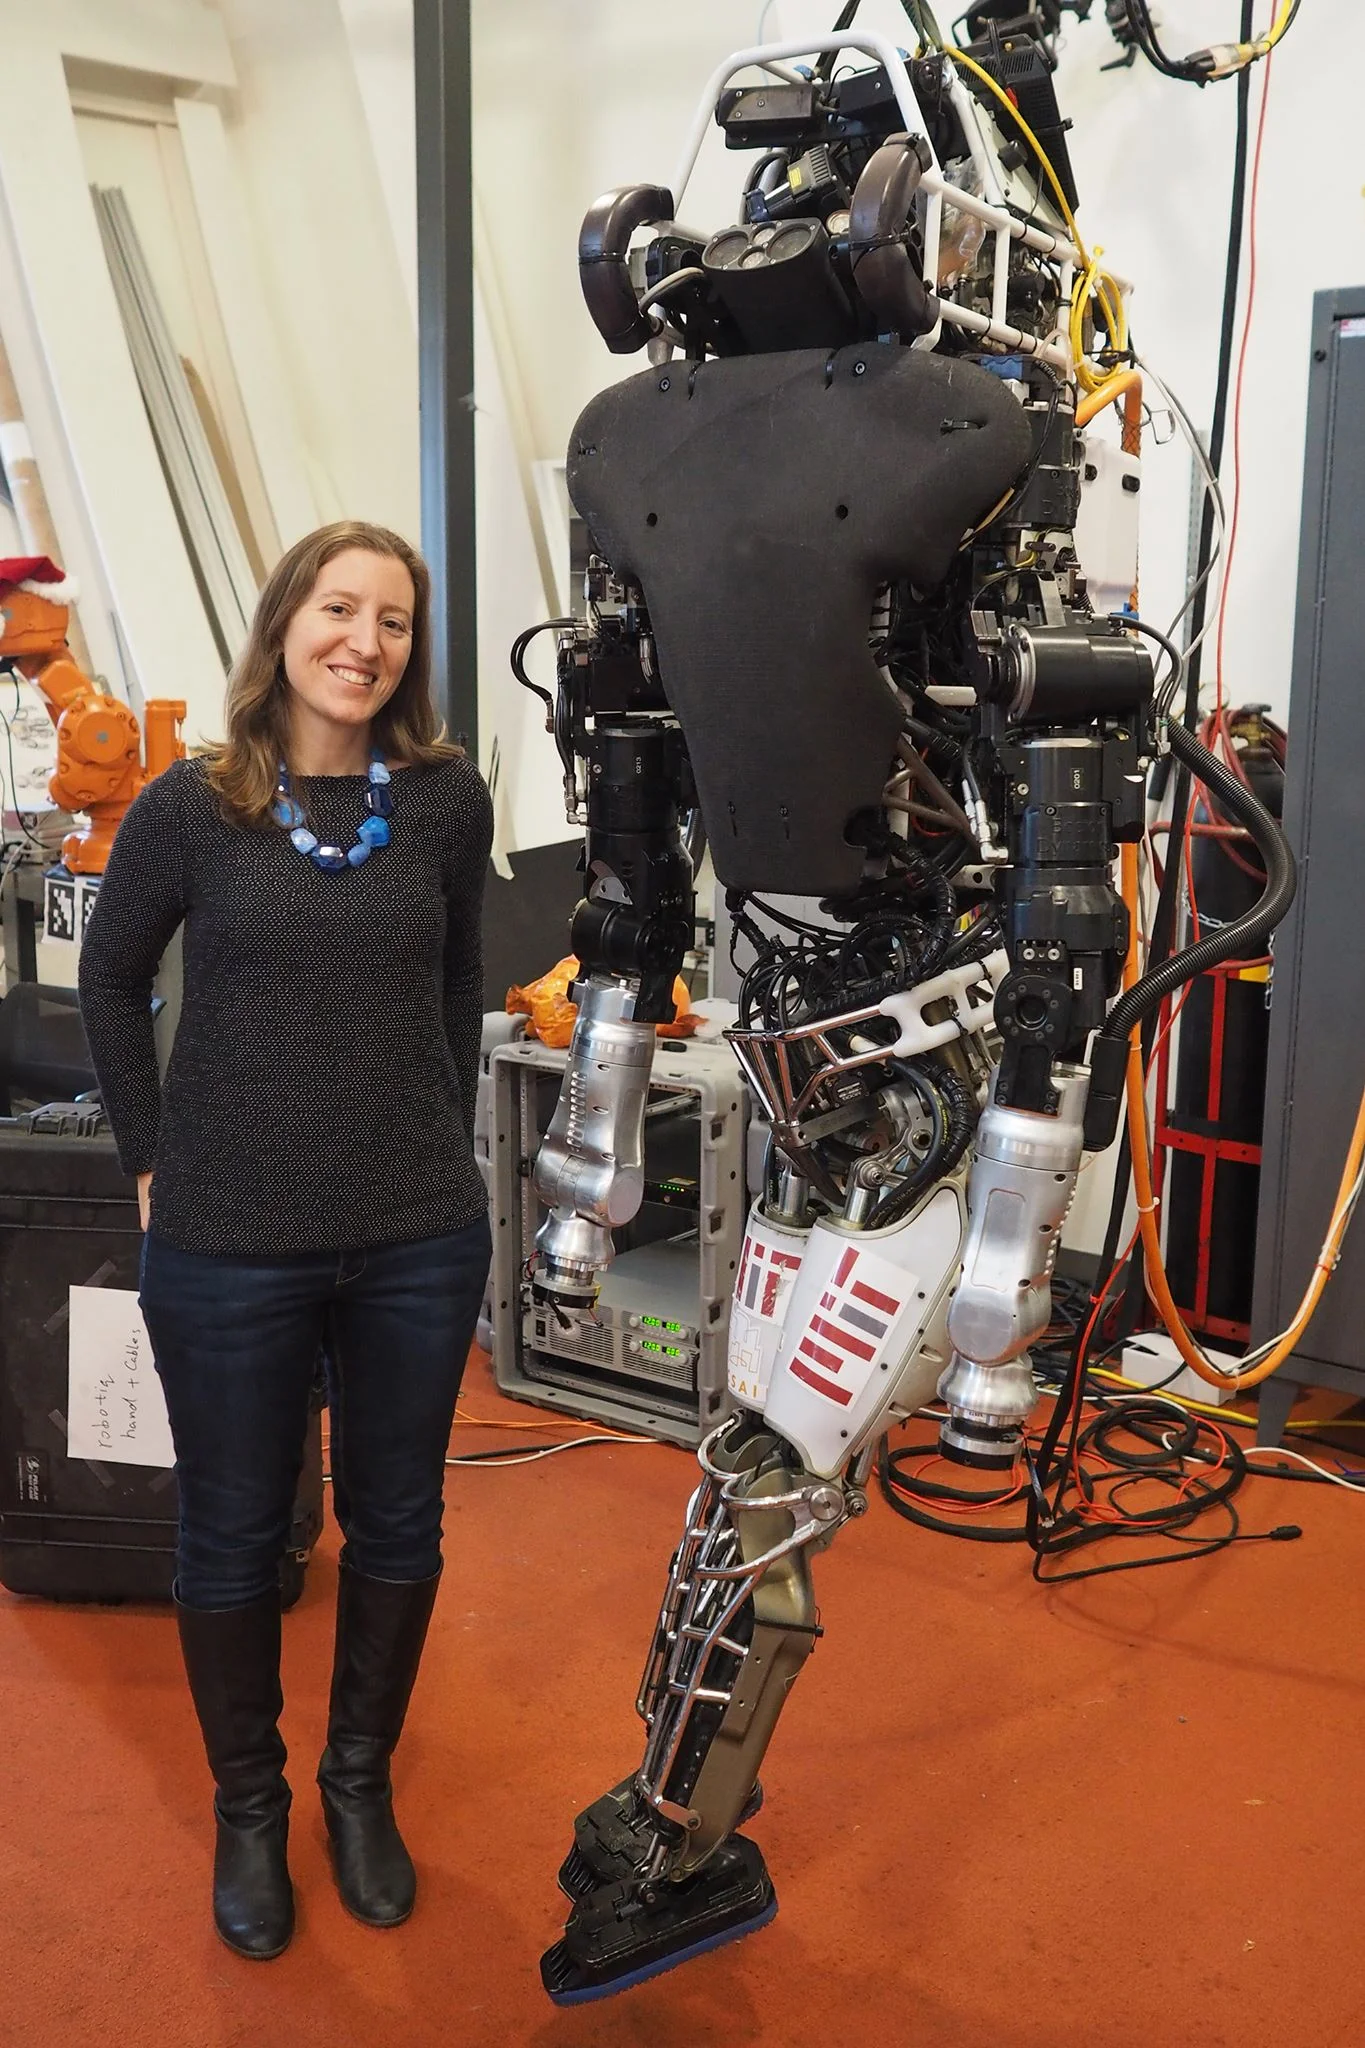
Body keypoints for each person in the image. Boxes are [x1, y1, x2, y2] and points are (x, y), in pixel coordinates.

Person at [78, 520, 494, 1962]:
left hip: (415, 1236)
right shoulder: (193, 806)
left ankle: (356, 1786)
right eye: (338, 609)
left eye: (393, 621)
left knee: (400, 1522)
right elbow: (111, 979)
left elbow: (457, 984)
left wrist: (438, 1135)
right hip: (229, 1237)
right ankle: (249, 1809)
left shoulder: (442, 801)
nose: (364, 642)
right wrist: (151, 1160)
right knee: (234, 1530)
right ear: (283, 624)